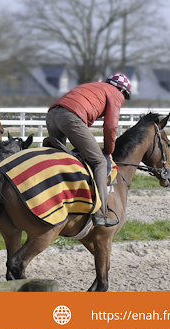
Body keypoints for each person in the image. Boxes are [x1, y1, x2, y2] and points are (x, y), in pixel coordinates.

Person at [45, 73, 132, 227]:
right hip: (70, 116)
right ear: (123, 91)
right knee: (99, 162)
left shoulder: (95, 86)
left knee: (57, 159)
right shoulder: (116, 94)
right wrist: (108, 150)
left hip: (52, 114)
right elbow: (111, 126)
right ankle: (101, 213)